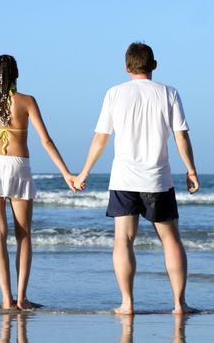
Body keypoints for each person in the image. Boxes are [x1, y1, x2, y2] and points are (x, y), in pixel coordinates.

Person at [74, 42, 199, 314]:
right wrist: (191, 169)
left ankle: (127, 303)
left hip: (124, 179)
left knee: (123, 240)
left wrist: (83, 172)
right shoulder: (169, 93)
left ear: (127, 67)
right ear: (154, 65)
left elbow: (100, 138)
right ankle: (179, 304)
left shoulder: (115, 93)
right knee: (171, 239)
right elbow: (181, 136)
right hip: (158, 178)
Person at [0, 55, 76, 311]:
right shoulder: (27, 101)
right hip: (19, 167)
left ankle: (6, 299)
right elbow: (46, 141)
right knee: (24, 235)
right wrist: (66, 173)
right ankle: (21, 298)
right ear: (17, 73)